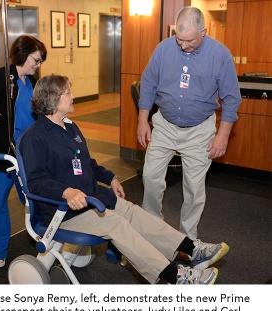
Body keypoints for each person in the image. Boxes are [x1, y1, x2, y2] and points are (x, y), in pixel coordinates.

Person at [19, 74, 230, 285]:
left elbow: (87, 163)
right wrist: (67, 192)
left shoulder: (70, 127)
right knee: (117, 224)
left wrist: (111, 178)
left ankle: (192, 250)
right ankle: (177, 278)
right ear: (53, 98)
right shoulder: (34, 137)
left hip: (93, 199)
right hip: (64, 210)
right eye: (68, 93)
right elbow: (36, 181)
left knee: (134, 213)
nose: (73, 96)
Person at [137, 7, 241, 260]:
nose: (183, 46)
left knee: (194, 188)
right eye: (179, 39)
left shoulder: (220, 55)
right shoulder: (163, 49)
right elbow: (148, 84)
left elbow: (231, 98)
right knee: (150, 177)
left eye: (189, 40)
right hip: (165, 125)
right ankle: (153, 231)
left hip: (200, 131)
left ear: (203, 32)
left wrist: (223, 135)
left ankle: (188, 243)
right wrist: (142, 121)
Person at [0, 35, 47, 268]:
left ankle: (45, 242)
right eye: (36, 59)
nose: (38, 64)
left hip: (26, 153)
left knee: (33, 199)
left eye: (40, 61)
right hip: (2, 153)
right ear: (23, 54)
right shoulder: (2, 77)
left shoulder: (32, 82)